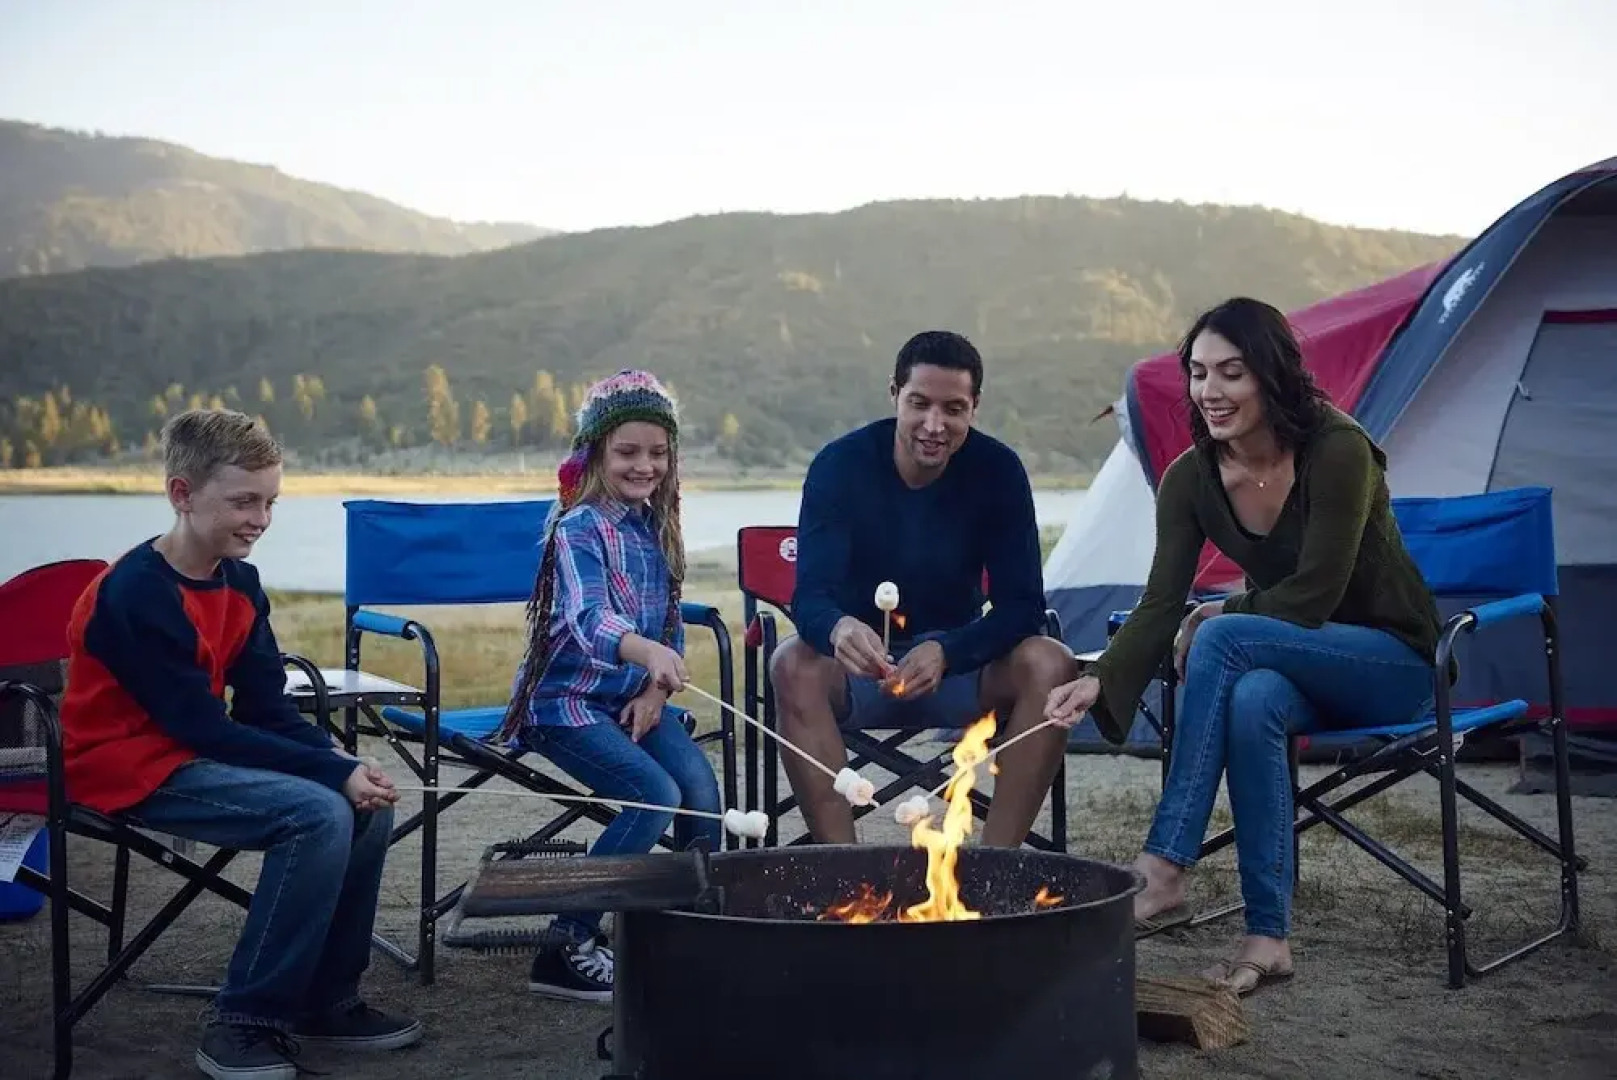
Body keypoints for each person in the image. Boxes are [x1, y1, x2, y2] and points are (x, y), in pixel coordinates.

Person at [1044, 298, 1443, 996]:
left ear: (1271, 374)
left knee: (1223, 634)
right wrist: (1099, 677)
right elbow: (1161, 603)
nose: (1211, 391)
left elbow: (1315, 592)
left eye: (1231, 372)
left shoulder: (1336, 448)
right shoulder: (1190, 479)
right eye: (1199, 373)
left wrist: (1221, 611)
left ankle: (1164, 865)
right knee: (1254, 698)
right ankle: (1268, 936)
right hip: (1288, 667)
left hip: (1393, 661)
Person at [58, 409, 421, 1080]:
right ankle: (245, 1021)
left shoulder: (241, 583)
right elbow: (199, 727)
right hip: (123, 766)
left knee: (365, 806)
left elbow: (263, 709)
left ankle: (326, 999)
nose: (260, 519)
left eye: (270, 502)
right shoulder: (136, 592)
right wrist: (326, 776)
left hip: (191, 754)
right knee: (317, 815)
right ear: (182, 494)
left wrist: (340, 762)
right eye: (244, 502)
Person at [773, 330, 1078, 846]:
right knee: (791, 662)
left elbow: (1023, 606)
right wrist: (839, 628)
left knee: (1051, 660)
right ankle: (840, 867)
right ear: (895, 394)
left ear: (974, 407)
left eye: (953, 409)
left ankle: (996, 864)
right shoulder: (840, 465)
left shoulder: (998, 470)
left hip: (961, 667)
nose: (935, 425)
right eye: (919, 404)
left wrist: (949, 651)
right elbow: (810, 597)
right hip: (861, 670)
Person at [493, 369, 721, 1004]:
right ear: (595, 453)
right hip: (562, 704)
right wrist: (647, 653)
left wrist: (655, 691)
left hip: (629, 700)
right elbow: (588, 617)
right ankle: (564, 944)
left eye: (658, 452)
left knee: (701, 793)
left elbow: (669, 625)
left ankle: (694, 932)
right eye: (627, 452)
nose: (644, 466)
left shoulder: (659, 526)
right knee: (654, 796)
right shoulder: (578, 528)